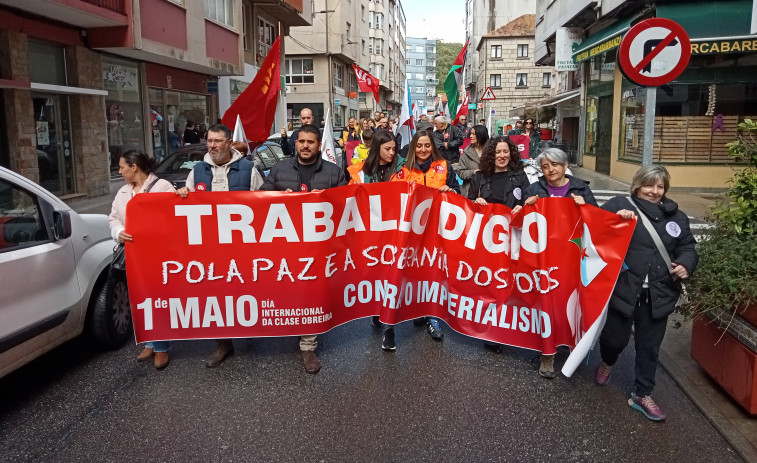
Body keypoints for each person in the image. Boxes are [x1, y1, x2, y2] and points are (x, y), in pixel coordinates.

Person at [596, 166, 697, 421]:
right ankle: (607, 361)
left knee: (649, 347)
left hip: (659, 294)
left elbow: (687, 246)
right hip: (623, 290)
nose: (654, 191)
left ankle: (643, 393)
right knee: (614, 340)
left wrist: (686, 263)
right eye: (649, 186)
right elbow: (594, 232)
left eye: (660, 187)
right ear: (638, 185)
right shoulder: (619, 204)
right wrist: (615, 220)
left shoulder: (676, 217)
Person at [177, 124, 264, 368]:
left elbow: (264, 202)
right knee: (216, 291)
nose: (212, 145)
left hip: (242, 244)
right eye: (209, 141)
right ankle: (223, 343)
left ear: (228, 143)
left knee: (245, 288)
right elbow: (188, 204)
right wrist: (184, 193)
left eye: (217, 141)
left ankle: (249, 325)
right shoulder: (198, 170)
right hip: (211, 246)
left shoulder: (248, 169)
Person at [261, 124, 347, 373]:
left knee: (311, 291)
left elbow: (346, 206)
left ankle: (307, 345)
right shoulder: (279, 169)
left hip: (317, 247)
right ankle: (290, 325)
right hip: (284, 245)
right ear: (295, 143)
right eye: (301, 141)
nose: (306, 146)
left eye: (311, 142)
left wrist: (328, 202)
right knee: (288, 289)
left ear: (319, 146)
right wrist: (278, 196)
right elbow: (260, 198)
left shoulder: (333, 172)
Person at [523, 148, 597, 379]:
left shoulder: (581, 188)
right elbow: (522, 221)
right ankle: (548, 353)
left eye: (555, 165)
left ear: (565, 166)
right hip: (542, 256)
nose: (550, 170)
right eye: (545, 167)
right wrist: (526, 205)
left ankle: (567, 341)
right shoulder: (535, 189)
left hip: (571, 257)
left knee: (566, 301)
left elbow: (597, 220)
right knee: (546, 301)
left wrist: (585, 206)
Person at [108, 150, 175, 369]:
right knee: (140, 298)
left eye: (122, 167)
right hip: (134, 254)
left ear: (134, 166)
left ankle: (161, 348)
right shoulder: (123, 192)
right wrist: (119, 231)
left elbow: (173, 216)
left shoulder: (163, 187)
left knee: (157, 298)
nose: (119, 171)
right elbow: (114, 218)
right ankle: (149, 341)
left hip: (157, 253)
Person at [391, 130, 460, 341]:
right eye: (419, 146)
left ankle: (433, 317)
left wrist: (451, 191)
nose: (423, 150)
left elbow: (457, 193)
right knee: (414, 272)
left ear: (433, 147)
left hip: (438, 230)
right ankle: (418, 308)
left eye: (427, 146)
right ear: (413, 148)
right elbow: (392, 199)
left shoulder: (444, 167)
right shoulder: (403, 170)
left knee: (434, 272)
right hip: (412, 231)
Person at [467, 136, 529, 210]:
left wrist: (522, 207)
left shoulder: (520, 175)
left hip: (514, 220)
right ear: (490, 155)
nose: (502, 156)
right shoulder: (479, 177)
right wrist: (475, 202)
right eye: (498, 152)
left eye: (505, 152)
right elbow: (468, 205)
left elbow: (528, 201)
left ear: (511, 154)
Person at [457, 125, 489, 197]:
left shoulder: (491, 151)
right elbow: (460, 172)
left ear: (481, 135)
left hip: (489, 191)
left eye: (473, 134)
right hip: (470, 192)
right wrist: (473, 172)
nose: (470, 136)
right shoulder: (466, 153)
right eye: (471, 133)